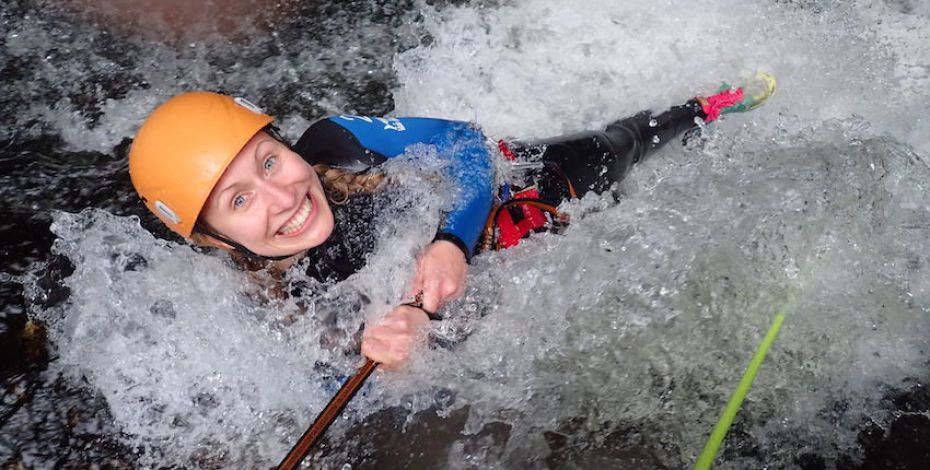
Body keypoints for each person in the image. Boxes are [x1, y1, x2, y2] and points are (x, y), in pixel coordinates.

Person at [128, 73, 776, 369]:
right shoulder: (282, 303)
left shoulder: (338, 142)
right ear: (215, 239)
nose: (281, 198)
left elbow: (467, 144)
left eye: (270, 161)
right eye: (239, 200)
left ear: (285, 142)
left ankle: (703, 109)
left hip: (521, 190)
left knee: (617, 148)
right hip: (513, 273)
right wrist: (398, 343)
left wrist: (447, 243)